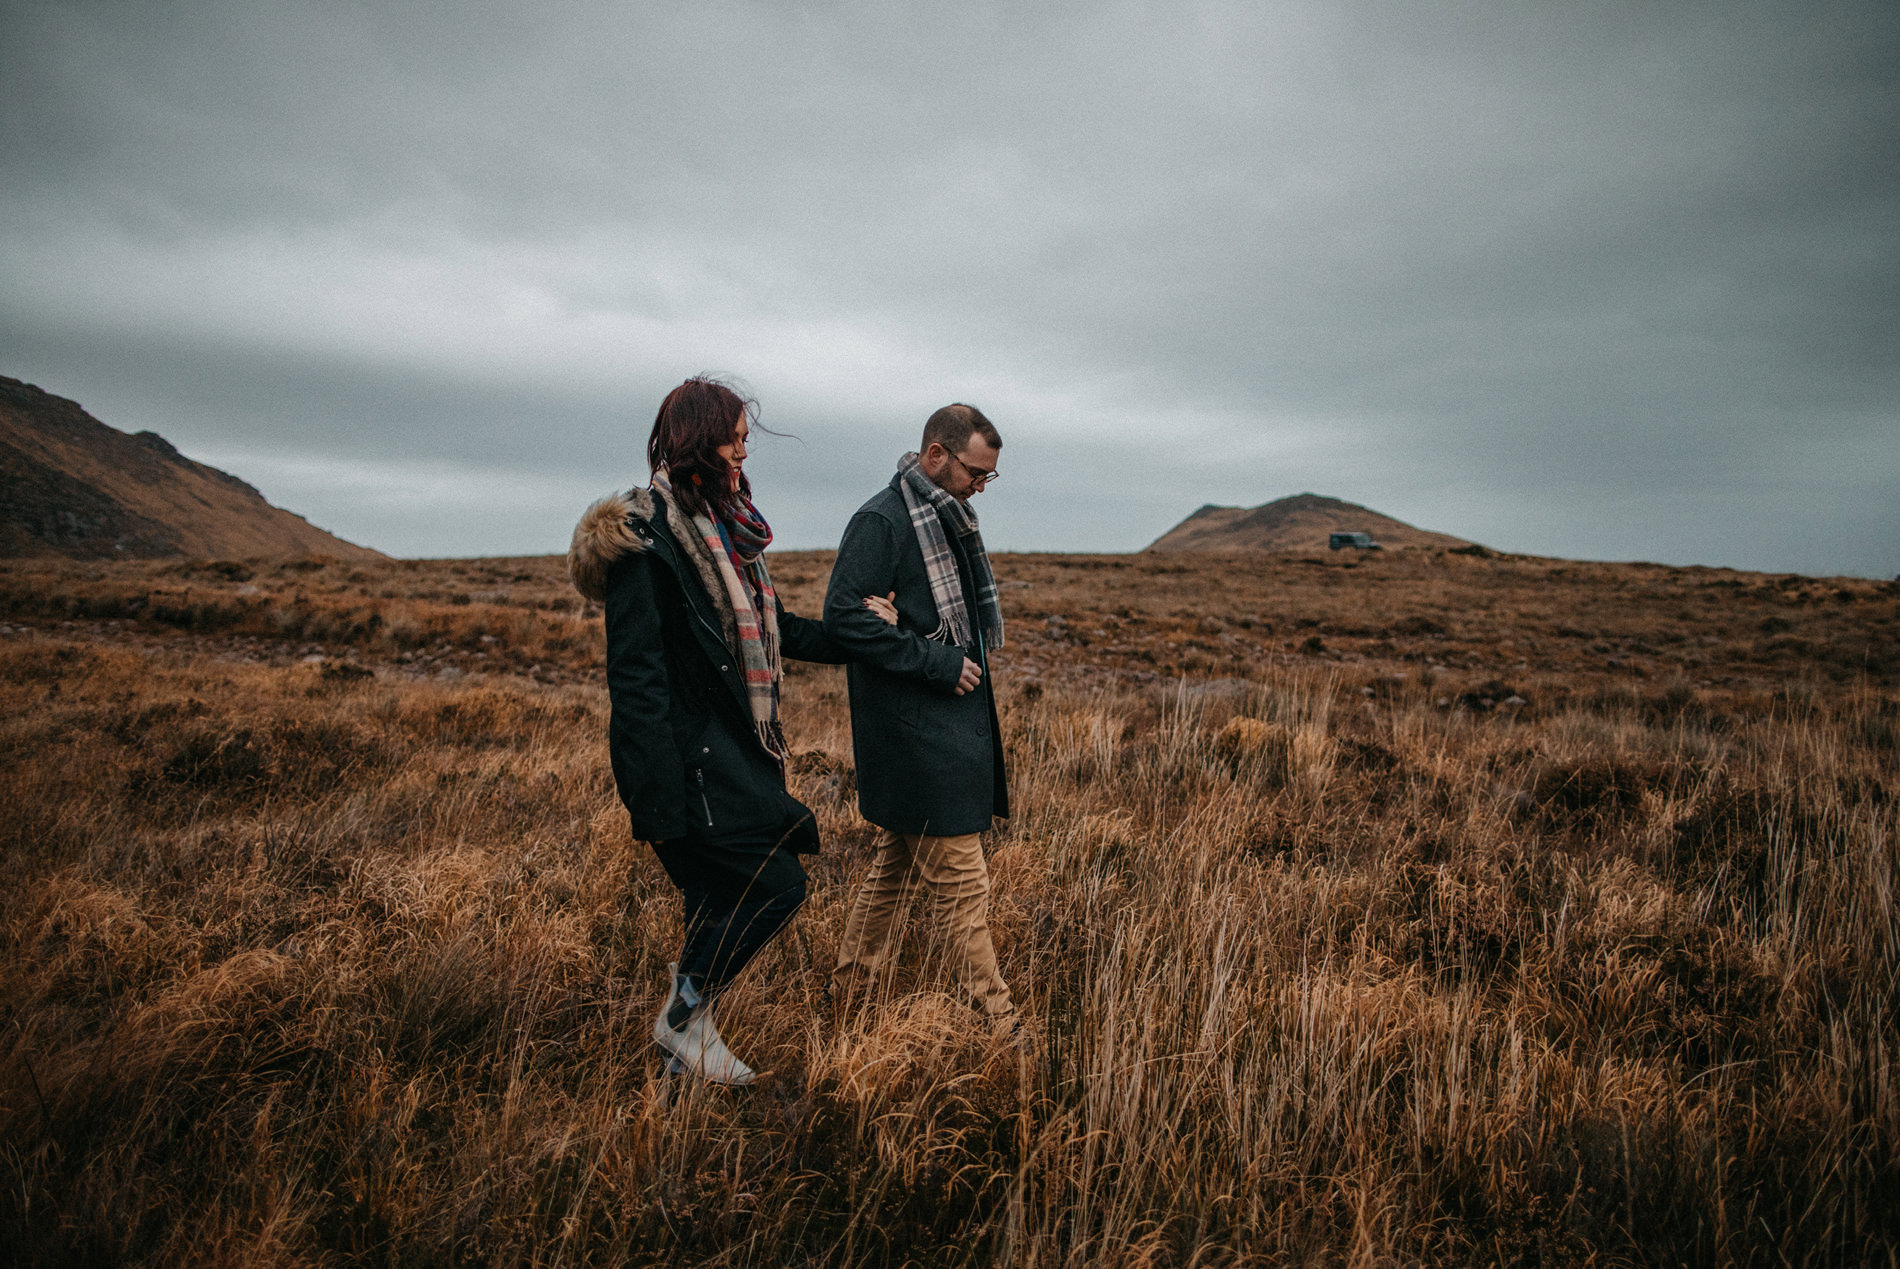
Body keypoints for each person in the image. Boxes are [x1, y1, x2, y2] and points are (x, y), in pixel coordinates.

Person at [569, 376, 896, 1085]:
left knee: (714, 900)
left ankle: (681, 1062)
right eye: (736, 435)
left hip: (736, 752)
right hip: (690, 761)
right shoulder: (646, 539)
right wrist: (655, 798)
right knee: (775, 885)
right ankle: (684, 1017)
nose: (746, 448)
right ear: (699, 439)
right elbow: (635, 678)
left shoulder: (726, 530)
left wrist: (859, 637)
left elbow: (773, 629)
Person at [822, 403, 1017, 1035]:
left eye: (989, 477)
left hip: (943, 733)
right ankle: (1002, 1027)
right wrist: (936, 661)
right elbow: (845, 618)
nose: (980, 486)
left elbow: (928, 618)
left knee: (891, 873)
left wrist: (907, 624)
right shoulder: (883, 521)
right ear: (937, 454)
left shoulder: (948, 518)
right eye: (974, 472)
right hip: (915, 737)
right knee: (966, 892)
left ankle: (848, 1002)